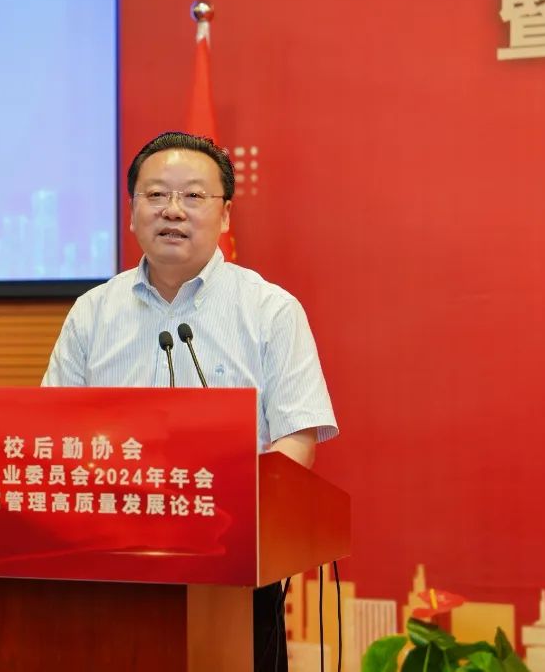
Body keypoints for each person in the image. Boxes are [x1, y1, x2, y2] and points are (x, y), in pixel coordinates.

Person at [42, 131, 338, 671]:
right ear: (132, 213)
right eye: (156, 195)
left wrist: (240, 521)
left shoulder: (270, 310)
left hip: (233, 572)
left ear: (225, 216)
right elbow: (53, 433)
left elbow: (296, 439)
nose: (173, 210)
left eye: (194, 196)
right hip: (111, 568)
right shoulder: (92, 312)